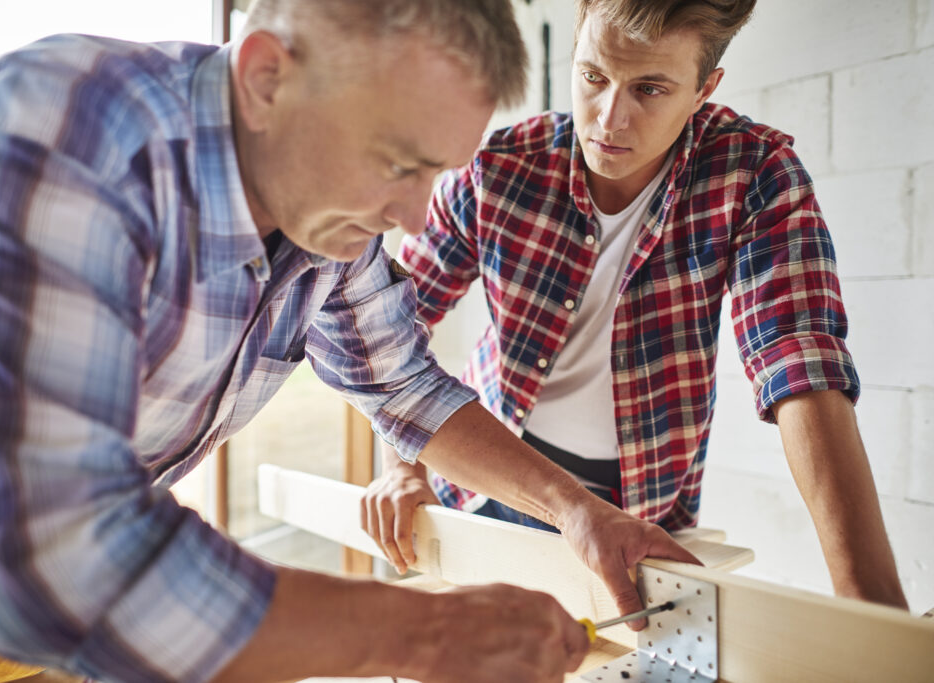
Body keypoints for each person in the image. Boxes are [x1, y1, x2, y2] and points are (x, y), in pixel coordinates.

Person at [0, 0, 706, 681]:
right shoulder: (64, 132)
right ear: (266, 79)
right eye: (398, 163)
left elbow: (404, 388)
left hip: (16, 586)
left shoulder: (327, 218)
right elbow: (50, 555)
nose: (416, 218)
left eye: (435, 174)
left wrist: (576, 510)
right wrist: (430, 632)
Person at [363, 0, 909, 611]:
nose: (610, 119)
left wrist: (870, 605)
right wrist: (403, 467)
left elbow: (798, 359)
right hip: (487, 485)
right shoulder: (499, 169)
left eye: (650, 89)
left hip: (638, 510)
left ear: (704, 89)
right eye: (594, 77)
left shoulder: (754, 174)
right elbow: (391, 329)